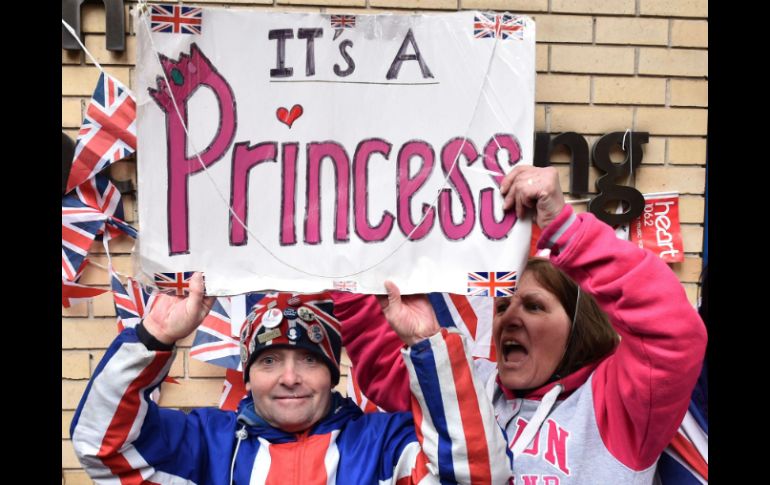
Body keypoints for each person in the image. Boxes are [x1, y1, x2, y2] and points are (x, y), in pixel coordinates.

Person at [336, 166, 708, 483]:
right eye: (501, 306)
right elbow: (389, 368)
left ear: (579, 326)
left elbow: (674, 331)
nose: (509, 317)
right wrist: (346, 267)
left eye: (533, 306)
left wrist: (566, 230)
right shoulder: (474, 379)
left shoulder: (616, 403)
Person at [70, 281, 513, 484]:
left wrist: (427, 344)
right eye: (269, 362)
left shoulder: (384, 444)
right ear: (247, 377)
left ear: (332, 372)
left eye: (308, 359)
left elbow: (476, 479)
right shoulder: (206, 444)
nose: (289, 378)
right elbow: (101, 448)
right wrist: (154, 338)